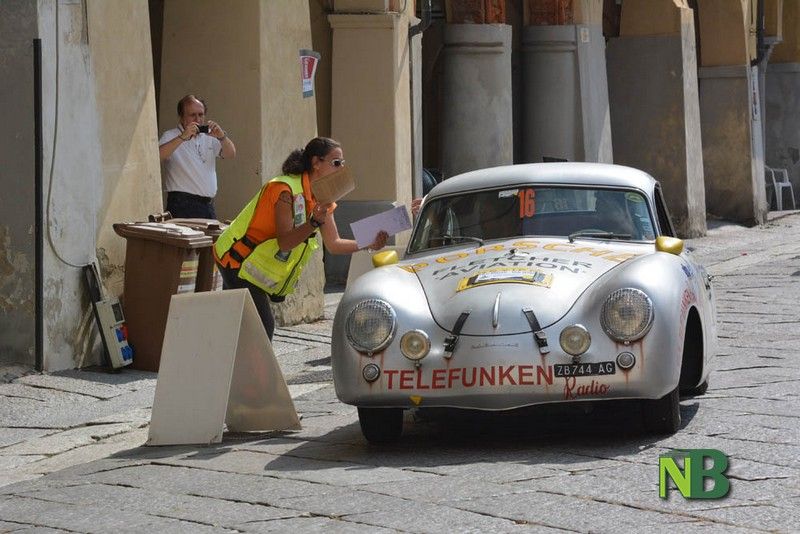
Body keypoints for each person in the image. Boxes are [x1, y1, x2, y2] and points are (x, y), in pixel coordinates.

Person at [213, 137, 388, 341]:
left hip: (252, 262)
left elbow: (334, 244)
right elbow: (285, 242)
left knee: (241, 329)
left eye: (343, 163)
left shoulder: (324, 196)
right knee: (262, 328)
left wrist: (368, 243)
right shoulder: (284, 190)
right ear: (316, 163)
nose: (341, 168)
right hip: (236, 258)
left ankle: (230, 358)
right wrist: (313, 222)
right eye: (336, 163)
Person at [158, 94, 237, 218]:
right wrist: (182, 137)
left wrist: (222, 136)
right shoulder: (170, 135)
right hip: (181, 204)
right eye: (192, 115)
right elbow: (157, 157)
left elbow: (231, 154)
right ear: (181, 117)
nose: (198, 119)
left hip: (207, 205)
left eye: (201, 114)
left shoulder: (209, 136)